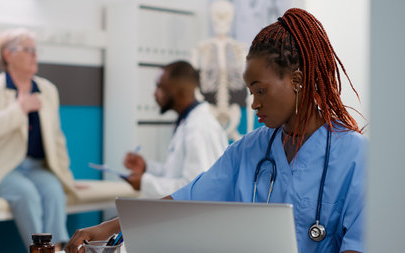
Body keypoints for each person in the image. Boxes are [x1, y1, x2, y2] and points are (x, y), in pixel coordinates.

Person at [65, 8, 366, 253]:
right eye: (251, 92)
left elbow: (362, 245)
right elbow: (185, 201)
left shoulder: (356, 156)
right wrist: (110, 227)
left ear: (297, 81)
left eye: (260, 91)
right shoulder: (249, 150)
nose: (253, 104)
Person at [0, 28, 76, 250]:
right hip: (3, 168)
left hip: (37, 167)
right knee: (26, 194)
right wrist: (20, 108)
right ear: (8, 55)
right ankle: (38, 249)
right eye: (28, 50)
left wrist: (67, 177)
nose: (35, 55)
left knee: (55, 191)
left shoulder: (47, 89)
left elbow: (56, 138)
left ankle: (56, 248)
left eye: (36, 50)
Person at [123, 61, 228, 198]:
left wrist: (145, 182)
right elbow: (174, 173)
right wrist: (146, 167)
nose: (155, 94)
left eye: (160, 88)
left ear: (182, 92)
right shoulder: (187, 122)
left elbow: (195, 188)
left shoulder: (198, 127)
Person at [192, 0, 249, 141]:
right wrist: (196, 91)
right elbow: (193, 73)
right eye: (218, 18)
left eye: (225, 18)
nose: (222, 22)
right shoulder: (202, 48)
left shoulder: (238, 48)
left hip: (233, 108)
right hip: (211, 106)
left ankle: (249, 135)